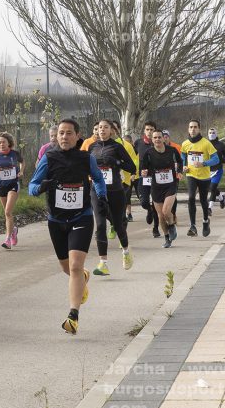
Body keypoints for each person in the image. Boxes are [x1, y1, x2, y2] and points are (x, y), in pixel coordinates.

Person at [29, 118, 107, 335]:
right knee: (67, 268)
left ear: (77, 136)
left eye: (69, 133)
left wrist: (102, 197)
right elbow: (32, 186)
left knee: (74, 266)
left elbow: (98, 179)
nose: (64, 137)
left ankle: (73, 316)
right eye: (61, 133)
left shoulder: (86, 158)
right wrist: (40, 188)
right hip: (56, 220)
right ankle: (82, 278)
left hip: (81, 217)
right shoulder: (49, 158)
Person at [84, 119, 137, 275]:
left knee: (118, 225)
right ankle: (103, 263)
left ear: (111, 130)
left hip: (115, 191)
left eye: (105, 127)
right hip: (96, 191)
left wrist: (116, 162)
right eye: (99, 127)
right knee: (100, 225)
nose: (102, 130)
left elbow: (132, 168)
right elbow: (85, 168)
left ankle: (126, 251)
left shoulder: (117, 147)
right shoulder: (92, 147)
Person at [140, 128, 183, 247]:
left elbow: (180, 162)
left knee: (166, 211)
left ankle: (171, 225)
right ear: (152, 139)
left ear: (164, 138)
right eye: (155, 137)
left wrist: (179, 171)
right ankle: (167, 238)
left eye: (159, 137)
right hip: (156, 187)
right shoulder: (148, 153)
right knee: (160, 216)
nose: (157, 139)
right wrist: (144, 172)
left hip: (170, 185)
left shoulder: (172, 150)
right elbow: (144, 169)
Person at [180, 120, 221, 237]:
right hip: (191, 175)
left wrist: (204, 163)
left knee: (203, 200)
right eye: (191, 127)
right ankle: (192, 226)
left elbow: (216, 159)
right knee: (191, 197)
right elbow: (183, 157)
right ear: (188, 129)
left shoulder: (206, 143)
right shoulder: (185, 144)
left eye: (195, 127)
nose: (193, 129)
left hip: (204, 177)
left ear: (199, 129)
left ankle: (205, 221)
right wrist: (184, 166)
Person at [0, 132, 24, 249]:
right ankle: (13, 230)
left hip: (13, 184)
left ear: (9, 143)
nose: (1, 144)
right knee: (7, 213)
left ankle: (7, 240)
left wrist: (21, 171)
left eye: (3, 142)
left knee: (7, 212)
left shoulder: (15, 153)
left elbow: (22, 162)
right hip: (1, 186)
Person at [134, 121, 161, 238]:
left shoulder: (159, 143)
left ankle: (156, 228)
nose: (149, 132)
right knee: (144, 202)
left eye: (152, 130)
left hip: (156, 178)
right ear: (144, 131)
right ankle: (149, 210)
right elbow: (132, 158)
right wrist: (133, 172)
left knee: (156, 203)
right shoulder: (138, 143)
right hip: (143, 178)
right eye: (147, 129)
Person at [207, 127, 225, 212]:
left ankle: (210, 207)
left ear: (216, 134)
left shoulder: (220, 144)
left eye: (213, 133)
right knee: (211, 187)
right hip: (207, 170)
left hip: (217, 170)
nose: (211, 134)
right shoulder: (205, 144)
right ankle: (221, 198)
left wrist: (224, 159)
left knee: (213, 187)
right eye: (210, 133)